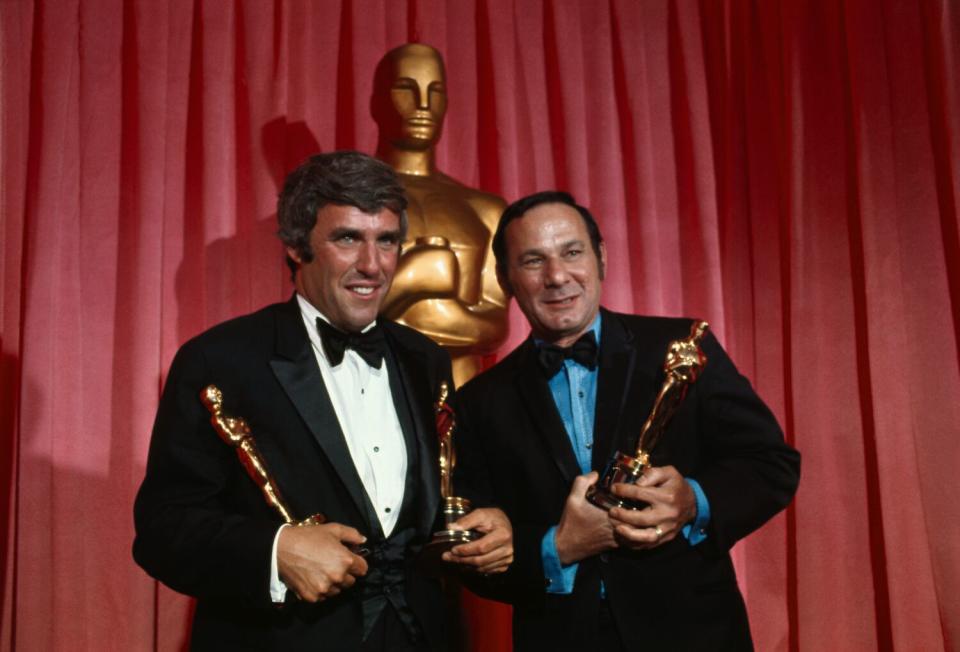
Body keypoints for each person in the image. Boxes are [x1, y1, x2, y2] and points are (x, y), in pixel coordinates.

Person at [133, 151, 513, 652]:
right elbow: (163, 530)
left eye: (387, 241)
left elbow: (442, 501)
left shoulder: (426, 360)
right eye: (348, 238)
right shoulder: (219, 360)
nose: (372, 266)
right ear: (296, 245)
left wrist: (492, 526)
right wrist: (276, 552)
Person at [453, 191, 800, 651]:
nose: (557, 277)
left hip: (694, 634)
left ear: (601, 258)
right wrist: (556, 548)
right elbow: (473, 553)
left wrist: (692, 502)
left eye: (572, 252)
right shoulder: (478, 402)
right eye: (533, 261)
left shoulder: (683, 347)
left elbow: (771, 463)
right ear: (505, 279)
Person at [373, 43, 508, 387]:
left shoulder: (486, 210)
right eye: (406, 88)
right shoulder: (347, 204)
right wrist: (411, 277)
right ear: (376, 102)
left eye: (435, 92)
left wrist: (433, 313)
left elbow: (496, 325)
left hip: (463, 402)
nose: (422, 106)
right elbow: (328, 315)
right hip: (371, 389)